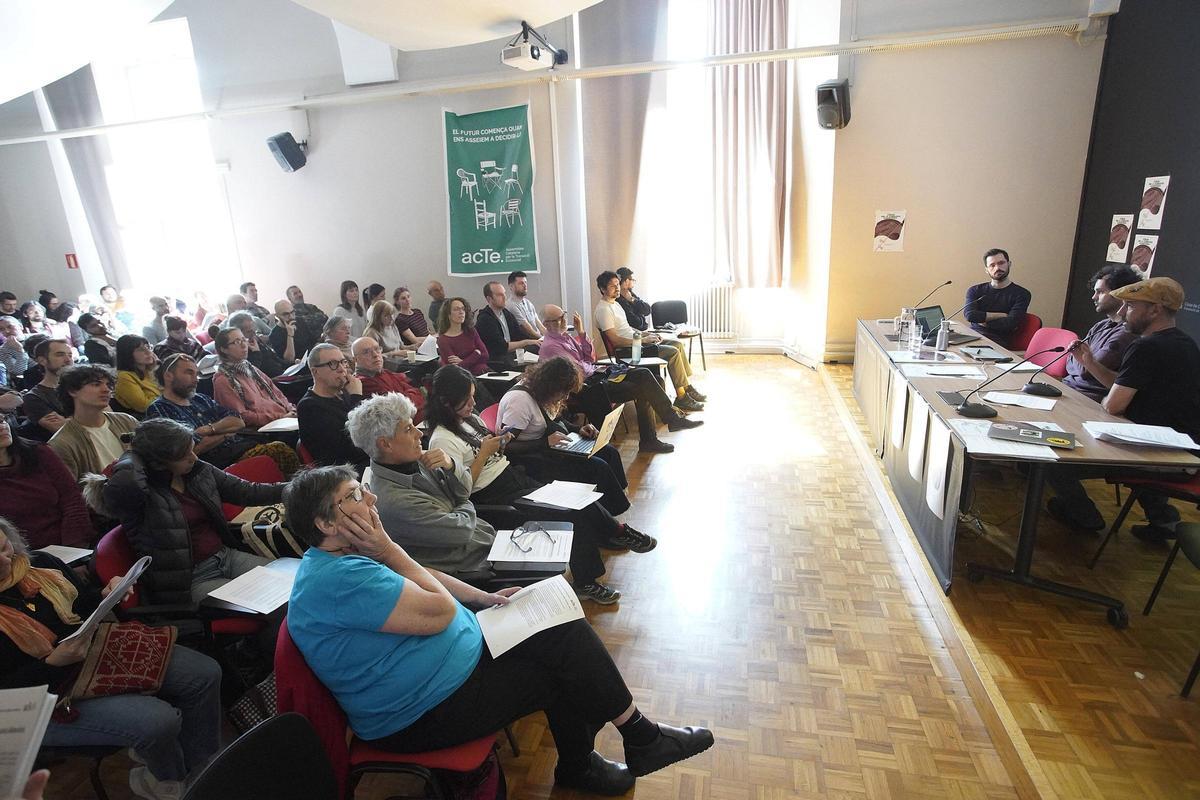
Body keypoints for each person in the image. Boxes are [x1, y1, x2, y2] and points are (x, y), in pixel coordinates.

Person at [283, 466, 714, 795]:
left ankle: (631, 741)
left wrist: (481, 598)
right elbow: (437, 613)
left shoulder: (346, 555)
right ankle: (619, 748)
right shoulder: (342, 579)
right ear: (326, 524)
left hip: (449, 668)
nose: (371, 496)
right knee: (561, 668)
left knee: (558, 620)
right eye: (355, 495)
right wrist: (392, 550)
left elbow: (422, 575)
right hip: (419, 713)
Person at [0, 518, 223, 800]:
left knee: (205, 673)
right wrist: (52, 664)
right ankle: (169, 782)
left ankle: (201, 766)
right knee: (158, 721)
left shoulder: (40, 564)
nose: (5, 560)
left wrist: (107, 593)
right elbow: (7, 695)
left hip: (94, 653)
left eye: (5, 547)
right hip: (48, 695)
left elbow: (84, 605)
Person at [426, 367, 656, 600]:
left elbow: (494, 450)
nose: (473, 404)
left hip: (511, 476)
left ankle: (618, 533)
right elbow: (461, 492)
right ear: (446, 402)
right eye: (466, 400)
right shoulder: (442, 439)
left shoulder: (469, 420)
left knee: (575, 495)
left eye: (473, 396)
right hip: (492, 494)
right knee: (570, 511)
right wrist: (484, 454)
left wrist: (500, 442)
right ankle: (589, 577)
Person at [1046, 277, 1200, 539]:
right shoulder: (1183, 342)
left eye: (1130, 306)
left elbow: (1114, 405)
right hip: (1180, 445)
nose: (1121, 311)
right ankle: (1163, 521)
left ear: (1154, 310)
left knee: (1054, 462)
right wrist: (1090, 362)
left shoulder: (1146, 346)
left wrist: (1109, 400)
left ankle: (1086, 517)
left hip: (1167, 454)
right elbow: (1124, 385)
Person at [104, 418, 285, 604]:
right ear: (158, 462)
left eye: (191, 449)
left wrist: (300, 488)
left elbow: (248, 491)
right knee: (274, 603)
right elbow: (125, 483)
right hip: (191, 580)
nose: (194, 457)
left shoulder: (197, 471)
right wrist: (132, 455)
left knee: (296, 584)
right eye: (184, 455)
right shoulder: (139, 495)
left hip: (225, 557)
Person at [540, 304, 701, 453]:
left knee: (649, 376)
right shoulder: (551, 345)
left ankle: (660, 429)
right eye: (558, 319)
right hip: (586, 387)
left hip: (596, 375)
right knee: (644, 386)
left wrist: (581, 332)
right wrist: (598, 368)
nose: (563, 320)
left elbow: (589, 357)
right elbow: (577, 370)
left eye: (563, 315)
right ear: (547, 324)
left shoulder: (565, 336)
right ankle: (659, 431)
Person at [499, 357, 632, 516]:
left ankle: (615, 506)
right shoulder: (519, 402)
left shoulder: (542, 393)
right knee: (598, 467)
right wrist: (544, 443)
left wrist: (579, 429)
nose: (566, 397)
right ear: (551, 385)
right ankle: (608, 516)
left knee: (609, 451)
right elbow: (504, 446)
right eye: (564, 392)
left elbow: (555, 419)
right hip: (532, 459)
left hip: (551, 447)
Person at [147, 353, 299, 475]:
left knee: (292, 441)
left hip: (240, 447)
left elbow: (238, 421)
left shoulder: (200, 399)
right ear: (168, 376)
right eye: (188, 373)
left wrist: (209, 430)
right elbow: (190, 450)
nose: (196, 379)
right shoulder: (160, 410)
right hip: (215, 465)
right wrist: (226, 432)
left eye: (196, 373)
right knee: (279, 450)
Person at [594, 271, 705, 413]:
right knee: (673, 353)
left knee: (677, 344)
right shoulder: (603, 310)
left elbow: (627, 329)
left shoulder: (615, 304)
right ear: (602, 289)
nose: (617, 289)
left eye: (617, 285)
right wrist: (642, 339)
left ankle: (687, 387)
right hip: (628, 350)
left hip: (635, 342)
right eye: (612, 286)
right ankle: (682, 397)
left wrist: (646, 334)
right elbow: (615, 340)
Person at [0, 419, 94, 549]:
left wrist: (75, 547)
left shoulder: (38, 453)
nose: (2, 426)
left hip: (69, 548)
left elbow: (72, 499)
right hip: (19, 556)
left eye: (1, 420)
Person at [1062, 264, 1142, 402]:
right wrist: (1081, 362)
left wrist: (1083, 363)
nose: (1094, 297)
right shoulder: (1101, 325)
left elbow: (1085, 371)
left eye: (1100, 292)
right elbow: (1069, 362)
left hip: (1088, 400)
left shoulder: (1126, 334)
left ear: (1120, 294)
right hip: (1068, 390)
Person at [48, 364, 137, 480]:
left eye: (108, 385)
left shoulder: (126, 421)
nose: (106, 390)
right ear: (72, 391)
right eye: (96, 384)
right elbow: (71, 491)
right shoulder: (62, 443)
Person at [297, 344, 368, 473]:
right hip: (344, 472)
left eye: (343, 362)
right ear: (315, 372)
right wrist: (357, 397)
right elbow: (349, 447)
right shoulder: (310, 407)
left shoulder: (344, 393)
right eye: (333, 364)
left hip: (364, 460)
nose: (342, 369)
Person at [211, 328, 296, 428]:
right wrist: (281, 417)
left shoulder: (250, 368)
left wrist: (290, 409)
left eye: (244, 340)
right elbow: (242, 416)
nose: (244, 345)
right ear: (223, 349)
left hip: (284, 418)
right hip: (267, 428)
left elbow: (277, 393)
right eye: (237, 342)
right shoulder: (223, 380)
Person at [963, 248, 1033, 349]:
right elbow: (970, 315)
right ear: (986, 270)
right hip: (971, 337)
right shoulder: (975, 290)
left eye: (1001, 263)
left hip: (996, 344)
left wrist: (981, 320)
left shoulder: (1022, 294)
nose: (997, 268)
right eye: (992, 265)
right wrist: (1001, 315)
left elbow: (1010, 323)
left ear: (1009, 264)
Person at [351, 337, 425, 420]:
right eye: (366, 352)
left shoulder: (384, 372)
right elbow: (401, 409)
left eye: (377, 349)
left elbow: (418, 393)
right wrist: (410, 394)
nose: (375, 355)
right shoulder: (363, 382)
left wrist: (408, 395)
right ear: (355, 360)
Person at [475, 281, 540, 367]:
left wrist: (535, 341)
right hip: (497, 359)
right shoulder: (485, 319)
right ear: (489, 299)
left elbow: (519, 335)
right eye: (499, 295)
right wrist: (527, 342)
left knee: (538, 347)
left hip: (511, 354)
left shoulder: (506, 313)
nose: (504, 297)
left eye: (504, 293)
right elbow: (502, 347)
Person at [22, 339, 74, 436]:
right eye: (60, 355)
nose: (68, 360)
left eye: (70, 355)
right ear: (42, 360)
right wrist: (92, 413)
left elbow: (108, 415)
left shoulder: (83, 385)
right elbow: (62, 430)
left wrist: (68, 421)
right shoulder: (34, 397)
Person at [436, 297, 490, 376]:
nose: (461, 312)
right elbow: (455, 369)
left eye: (463, 309)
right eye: (456, 309)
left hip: (485, 372)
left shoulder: (471, 331)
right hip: (465, 378)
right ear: (448, 315)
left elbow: (485, 355)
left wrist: (463, 361)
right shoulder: (443, 340)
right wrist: (476, 354)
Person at [228, 311, 290, 378]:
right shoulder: (241, 352)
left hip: (282, 375)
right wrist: (256, 352)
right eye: (249, 331)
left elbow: (274, 359)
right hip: (271, 381)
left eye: (254, 329)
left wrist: (292, 365)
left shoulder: (256, 339)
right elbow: (252, 375)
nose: (254, 333)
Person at [113, 335, 161, 415]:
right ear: (128, 353)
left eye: (148, 347)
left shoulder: (150, 370)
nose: (148, 352)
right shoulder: (124, 376)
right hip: (148, 418)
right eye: (141, 349)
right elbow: (144, 406)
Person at [270, 299, 315, 363]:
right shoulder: (274, 335)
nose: (291, 317)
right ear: (277, 316)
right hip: (298, 364)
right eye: (286, 314)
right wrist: (290, 335)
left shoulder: (299, 321)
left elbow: (313, 342)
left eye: (292, 312)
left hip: (312, 357)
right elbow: (289, 359)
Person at [507, 271, 545, 338]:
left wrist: (550, 337)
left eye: (525, 282)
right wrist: (543, 339)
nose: (525, 285)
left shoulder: (528, 303)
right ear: (511, 286)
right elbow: (528, 329)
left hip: (538, 339)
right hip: (528, 342)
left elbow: (539, 325)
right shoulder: (511, 305)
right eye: (521, 283)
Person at [615, 267, 653, 332]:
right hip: (635, 336)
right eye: (632, 280)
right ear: (626, 281)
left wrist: (632, 299)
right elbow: (636, 323)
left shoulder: (630, 294)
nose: (633, 282)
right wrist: (641, 315)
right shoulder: (619, 300)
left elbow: (648, 310)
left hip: (641, 333)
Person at [0, 316, 29, 386]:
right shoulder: (3, 350)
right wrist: (20, 351)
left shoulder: (37, 338)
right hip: (27, 381)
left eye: (10, 327)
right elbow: (19, 372)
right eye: (1, 329)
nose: (7, 331)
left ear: (20, 326)